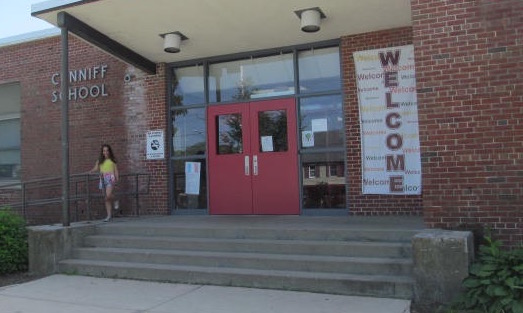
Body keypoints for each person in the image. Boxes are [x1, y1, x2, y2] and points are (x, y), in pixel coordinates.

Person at [89, 144, 119, 222]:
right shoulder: (100, 160)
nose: (105, 152)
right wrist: (91, 171)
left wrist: (117, 180)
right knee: (106, 199)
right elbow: (96, 168)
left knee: (107, 196)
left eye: (107, 150)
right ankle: (109, 216)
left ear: (109, 151)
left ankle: (115, 199)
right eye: (104, 150)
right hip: (102, 179)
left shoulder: (113, 160)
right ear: (102, 152)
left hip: (111, 178)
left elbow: (116, 170)